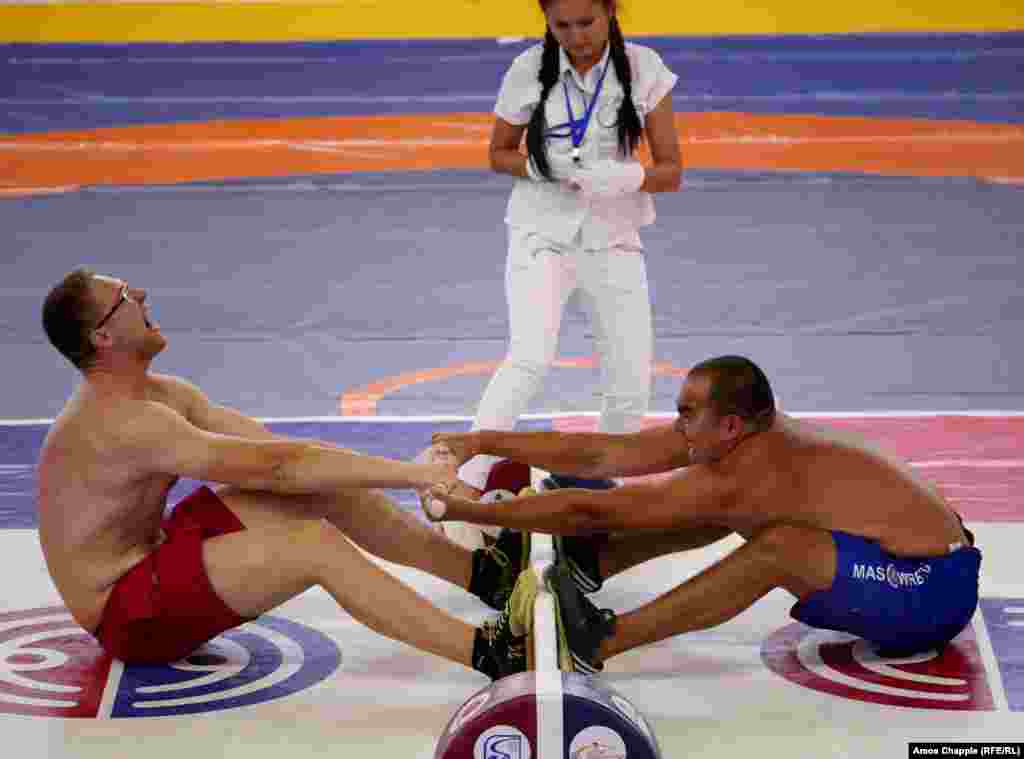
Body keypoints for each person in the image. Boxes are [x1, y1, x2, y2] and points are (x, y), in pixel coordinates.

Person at [35, 268, 562, 680]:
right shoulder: (122, 420)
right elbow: (281, 466)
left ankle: (483, 575)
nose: (143, 294)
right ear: (103, 337)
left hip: (154, 558)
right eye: (127, 295)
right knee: (313, 545)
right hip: (128, 617)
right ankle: (491, 654)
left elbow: (278, 454)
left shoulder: (164, 395)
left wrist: (412, 474)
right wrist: (414, 476)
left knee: (321, 484)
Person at [425, 355, 981, 672]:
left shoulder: (753, 471)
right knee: (727, 508)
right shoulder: (732, 435)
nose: (677, 426)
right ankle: (597, 562)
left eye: (687, 415)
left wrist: (466, 507)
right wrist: (482, 441)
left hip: (932, 592)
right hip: (913, 554)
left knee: (779, 544)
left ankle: (601, 640)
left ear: (731, 425)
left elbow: (592, 505)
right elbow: (602, 454)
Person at [448, 0, 683, 549]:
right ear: (547, 23)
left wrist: (624, 177)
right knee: (528, 357)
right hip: (540, 235)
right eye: (562, 26)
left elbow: (672, 170)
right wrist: (542, 165)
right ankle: (460, 487)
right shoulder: (528, 69)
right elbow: (497, 153)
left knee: (629, 378)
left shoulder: (645, 68)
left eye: (587, 23)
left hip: (614, 238)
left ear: (611, 13)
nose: (575, 37)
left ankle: (600, 497)